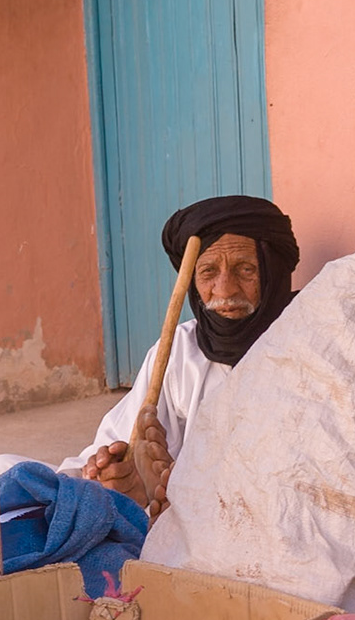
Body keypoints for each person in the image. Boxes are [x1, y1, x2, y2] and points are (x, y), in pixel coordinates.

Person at [62, 196, 300, 511]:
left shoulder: (305, 345)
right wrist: (116, 474)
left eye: (245, 269)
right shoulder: (179, 350)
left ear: (273, 273)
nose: (225, 290)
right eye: (208, 272)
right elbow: (120, 443)